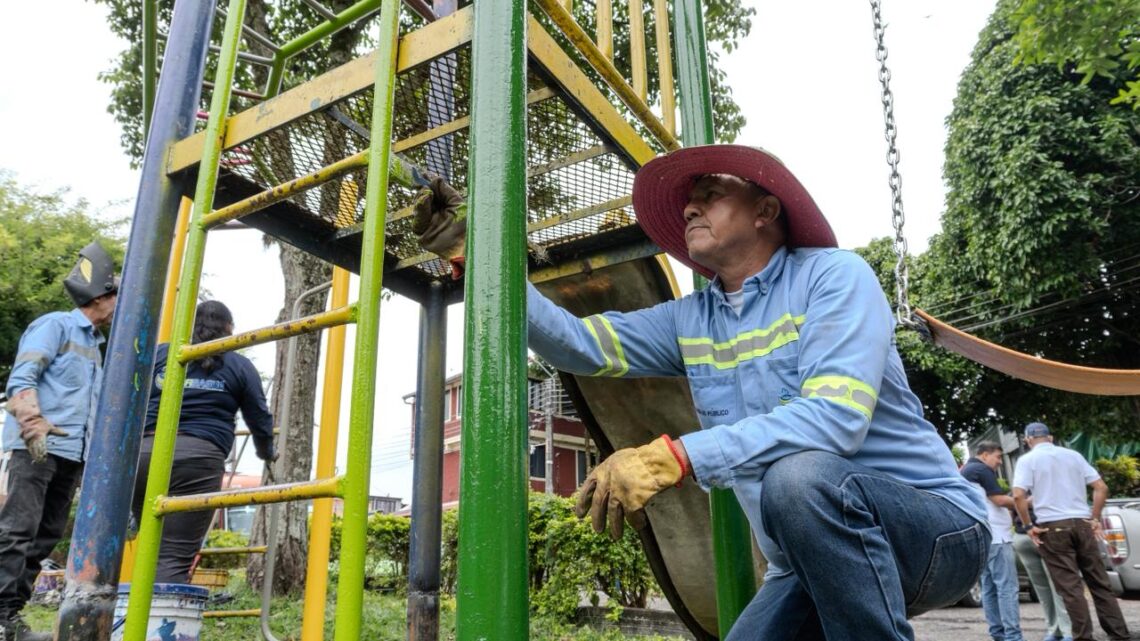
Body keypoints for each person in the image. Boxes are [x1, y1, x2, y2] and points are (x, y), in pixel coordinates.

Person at [416, 144, 989, 639]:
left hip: (934, 532)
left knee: (796, 479)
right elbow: (578, 344)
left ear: (766, 210)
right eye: (691, 198)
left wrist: (681, 454)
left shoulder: (834, 277)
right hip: (806, 563)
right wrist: (478, 254)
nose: (691, 204)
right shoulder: (692, 320)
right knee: (792, 498)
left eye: (711, 192)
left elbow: (835, 418)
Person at [0, 242, 118, 641]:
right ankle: (0, 620)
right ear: (100, 297)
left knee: (47, 535)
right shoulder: (56, 326)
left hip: (71, 454)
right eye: (116, 294)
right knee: (18, 530)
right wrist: (33, 424)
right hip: (36, 449)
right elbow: (22, 378)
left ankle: (10, 618)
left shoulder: (97, 348)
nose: (120, 302)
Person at [131, 300, 275, 583]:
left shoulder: (161, 355)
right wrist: (267, 452)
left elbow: (131, 397)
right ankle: (160, 625)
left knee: (149, 543)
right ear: (230, 330)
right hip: (197, 460)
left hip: (145, 454)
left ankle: (132, 618)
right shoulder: (238, 364)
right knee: (174, 553)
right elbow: (259, 417)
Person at [1012, 422, 1129, 641]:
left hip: (1052, 527)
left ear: (1028, 440)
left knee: (1071, 588)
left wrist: (1028, 526)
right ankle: (1119, 634)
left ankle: (1083, 637)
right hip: (1082, 523)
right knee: (1100, 583)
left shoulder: (1027, 460)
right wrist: (1094, 518)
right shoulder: (1073, 455)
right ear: (1051, 437)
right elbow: (1101, 487)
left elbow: (1018, 495)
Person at [960, 441, 1024, 641]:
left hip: (982, 538)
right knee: (1007, 588)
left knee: (989, 588)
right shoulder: (982, 470)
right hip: (998, 536)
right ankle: (1013, 636)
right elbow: (1000, 500)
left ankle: (998, 634)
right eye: (997, 457)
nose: (999, 462)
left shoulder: (965, 472)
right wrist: (1026, 502)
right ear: (985, 454)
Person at [1012, 504, 1073, 641]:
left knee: (1053, 586)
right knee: (1047, 587)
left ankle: (1064, 631)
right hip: (1026, 533)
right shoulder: (1021, 485)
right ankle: (1056, 630)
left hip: (1042, 532)